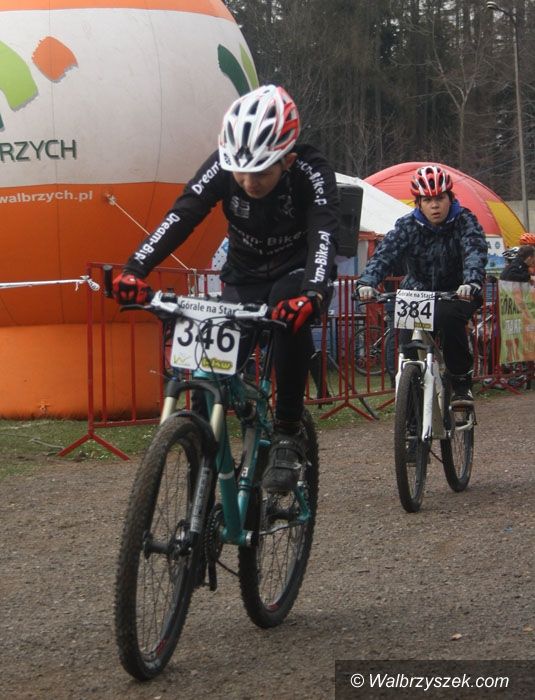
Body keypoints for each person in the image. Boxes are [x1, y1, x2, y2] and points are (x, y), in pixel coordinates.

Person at [112, 84, 340, 494]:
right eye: (239, 171)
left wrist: (313, 293)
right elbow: (183, 214)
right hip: (244, 275)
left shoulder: (310, 170)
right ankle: (203, 458)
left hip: (295, 271)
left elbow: (324, 232)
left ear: (287, 160)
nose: (248, 181)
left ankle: (287, 432)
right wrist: (135, 269)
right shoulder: (222, 163)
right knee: (209, 365)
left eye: (261, 172)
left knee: (289, 313)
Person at [355, 164, 488, 407]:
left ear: (450, 198)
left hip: (457, 291)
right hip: (417, 291)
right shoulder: (407, 225)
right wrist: (367, 282)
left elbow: (474, 252)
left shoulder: (465, 220)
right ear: (418, 203)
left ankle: (461, 385)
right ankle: (411, 401)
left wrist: (471, 281)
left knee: (449, 318)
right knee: (407, 345)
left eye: (439, 198)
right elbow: (385, 255)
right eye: (428, 200)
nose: (434, 206)